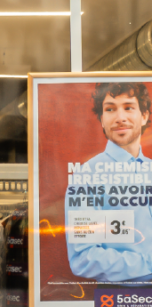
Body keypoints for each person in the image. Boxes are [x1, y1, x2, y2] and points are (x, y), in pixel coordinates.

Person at [65, 81, 152, 282]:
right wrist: (147, 264)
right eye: (110, 109)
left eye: (128, 107)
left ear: (144, 116)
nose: (120, 118)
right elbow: (83, 257)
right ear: (102, 120)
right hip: (121, 296)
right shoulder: (87, 177)